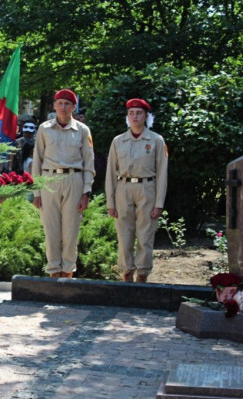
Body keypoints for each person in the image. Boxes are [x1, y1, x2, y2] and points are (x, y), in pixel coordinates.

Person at [32, 89, 95, 278]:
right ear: (54, 105)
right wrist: (36, 192)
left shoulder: (82, 131)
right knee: (51, 231)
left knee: (70, 232)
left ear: (74, 107)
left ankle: (67, 273)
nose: (63, 107)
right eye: (59, 103)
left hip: (73, 180)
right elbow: (37, 160)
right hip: (49, 181)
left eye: (67, 104)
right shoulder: (44, 129)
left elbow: (89, 163)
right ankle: (53, 273)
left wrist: (86, 192)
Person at [105, 98, 168, 283]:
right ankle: (126, 272)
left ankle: (142, 273)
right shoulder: (118, 141)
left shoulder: (156, 140)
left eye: (139, 113)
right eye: (131, 113)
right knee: (124, 234)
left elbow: (162, 173)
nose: (135, 116)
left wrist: (159, 203)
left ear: (146, 116)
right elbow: (111, 173)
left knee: (145, 234)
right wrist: (110, 202)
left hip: (147, 188)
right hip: (123, 189)